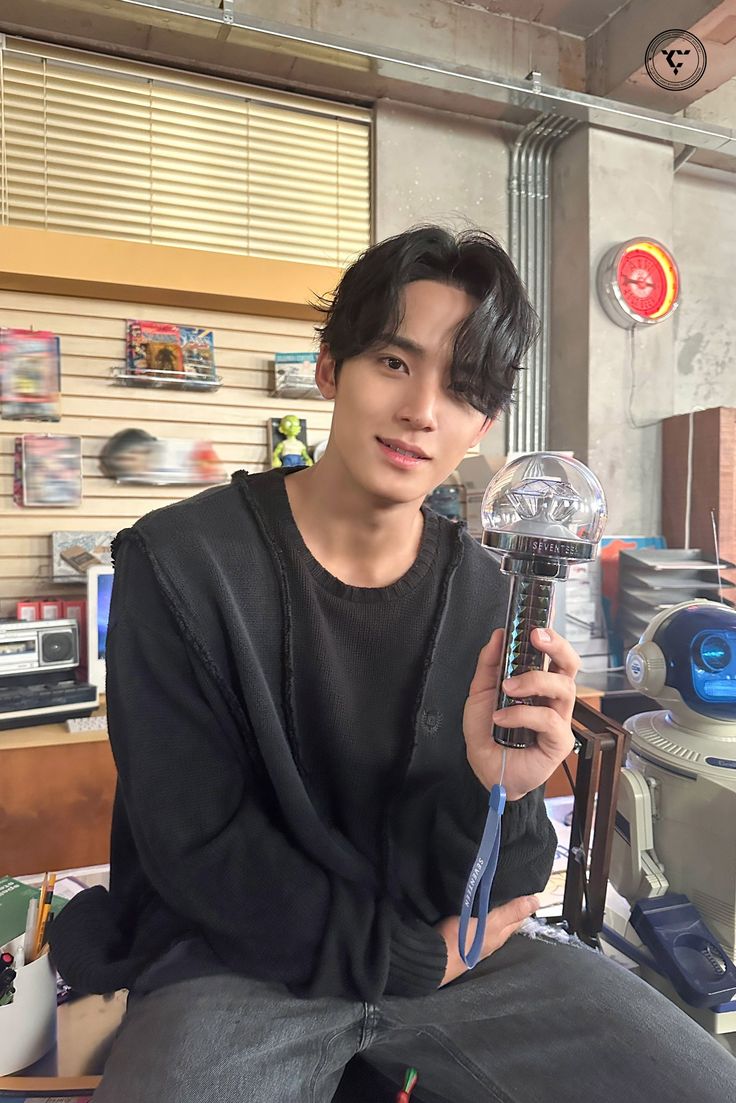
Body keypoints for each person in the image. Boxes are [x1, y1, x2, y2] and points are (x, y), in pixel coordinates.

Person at [49, 226, 736, 1102]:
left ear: (484, 424)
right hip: (237, 965)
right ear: (331, 367)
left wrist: (513, 788)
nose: (423, 411)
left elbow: (514, 880)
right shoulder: (180, 567)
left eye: (462, 389)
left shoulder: (494, 594)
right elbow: (198, 846)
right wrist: (413, 956)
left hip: (464, 965)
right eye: (395, 363)